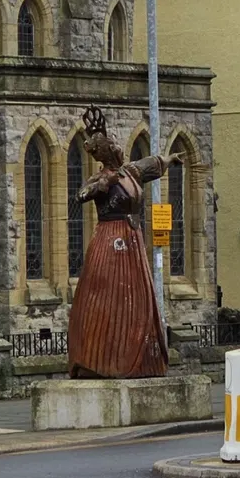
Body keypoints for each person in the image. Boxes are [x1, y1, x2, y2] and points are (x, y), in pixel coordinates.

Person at [67, 107, 177, 379]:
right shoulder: (104, 177)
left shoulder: (130, 172)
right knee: (107, 296)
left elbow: (151, 165)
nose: (117, 150)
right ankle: (101, 358)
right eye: (112, 147)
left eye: (116, 146)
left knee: (136, 298)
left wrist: (169, 159)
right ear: (103, 154)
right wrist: (101, 185)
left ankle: (140, 361)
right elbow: (80, 195)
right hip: (110, 241)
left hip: (132, 241)